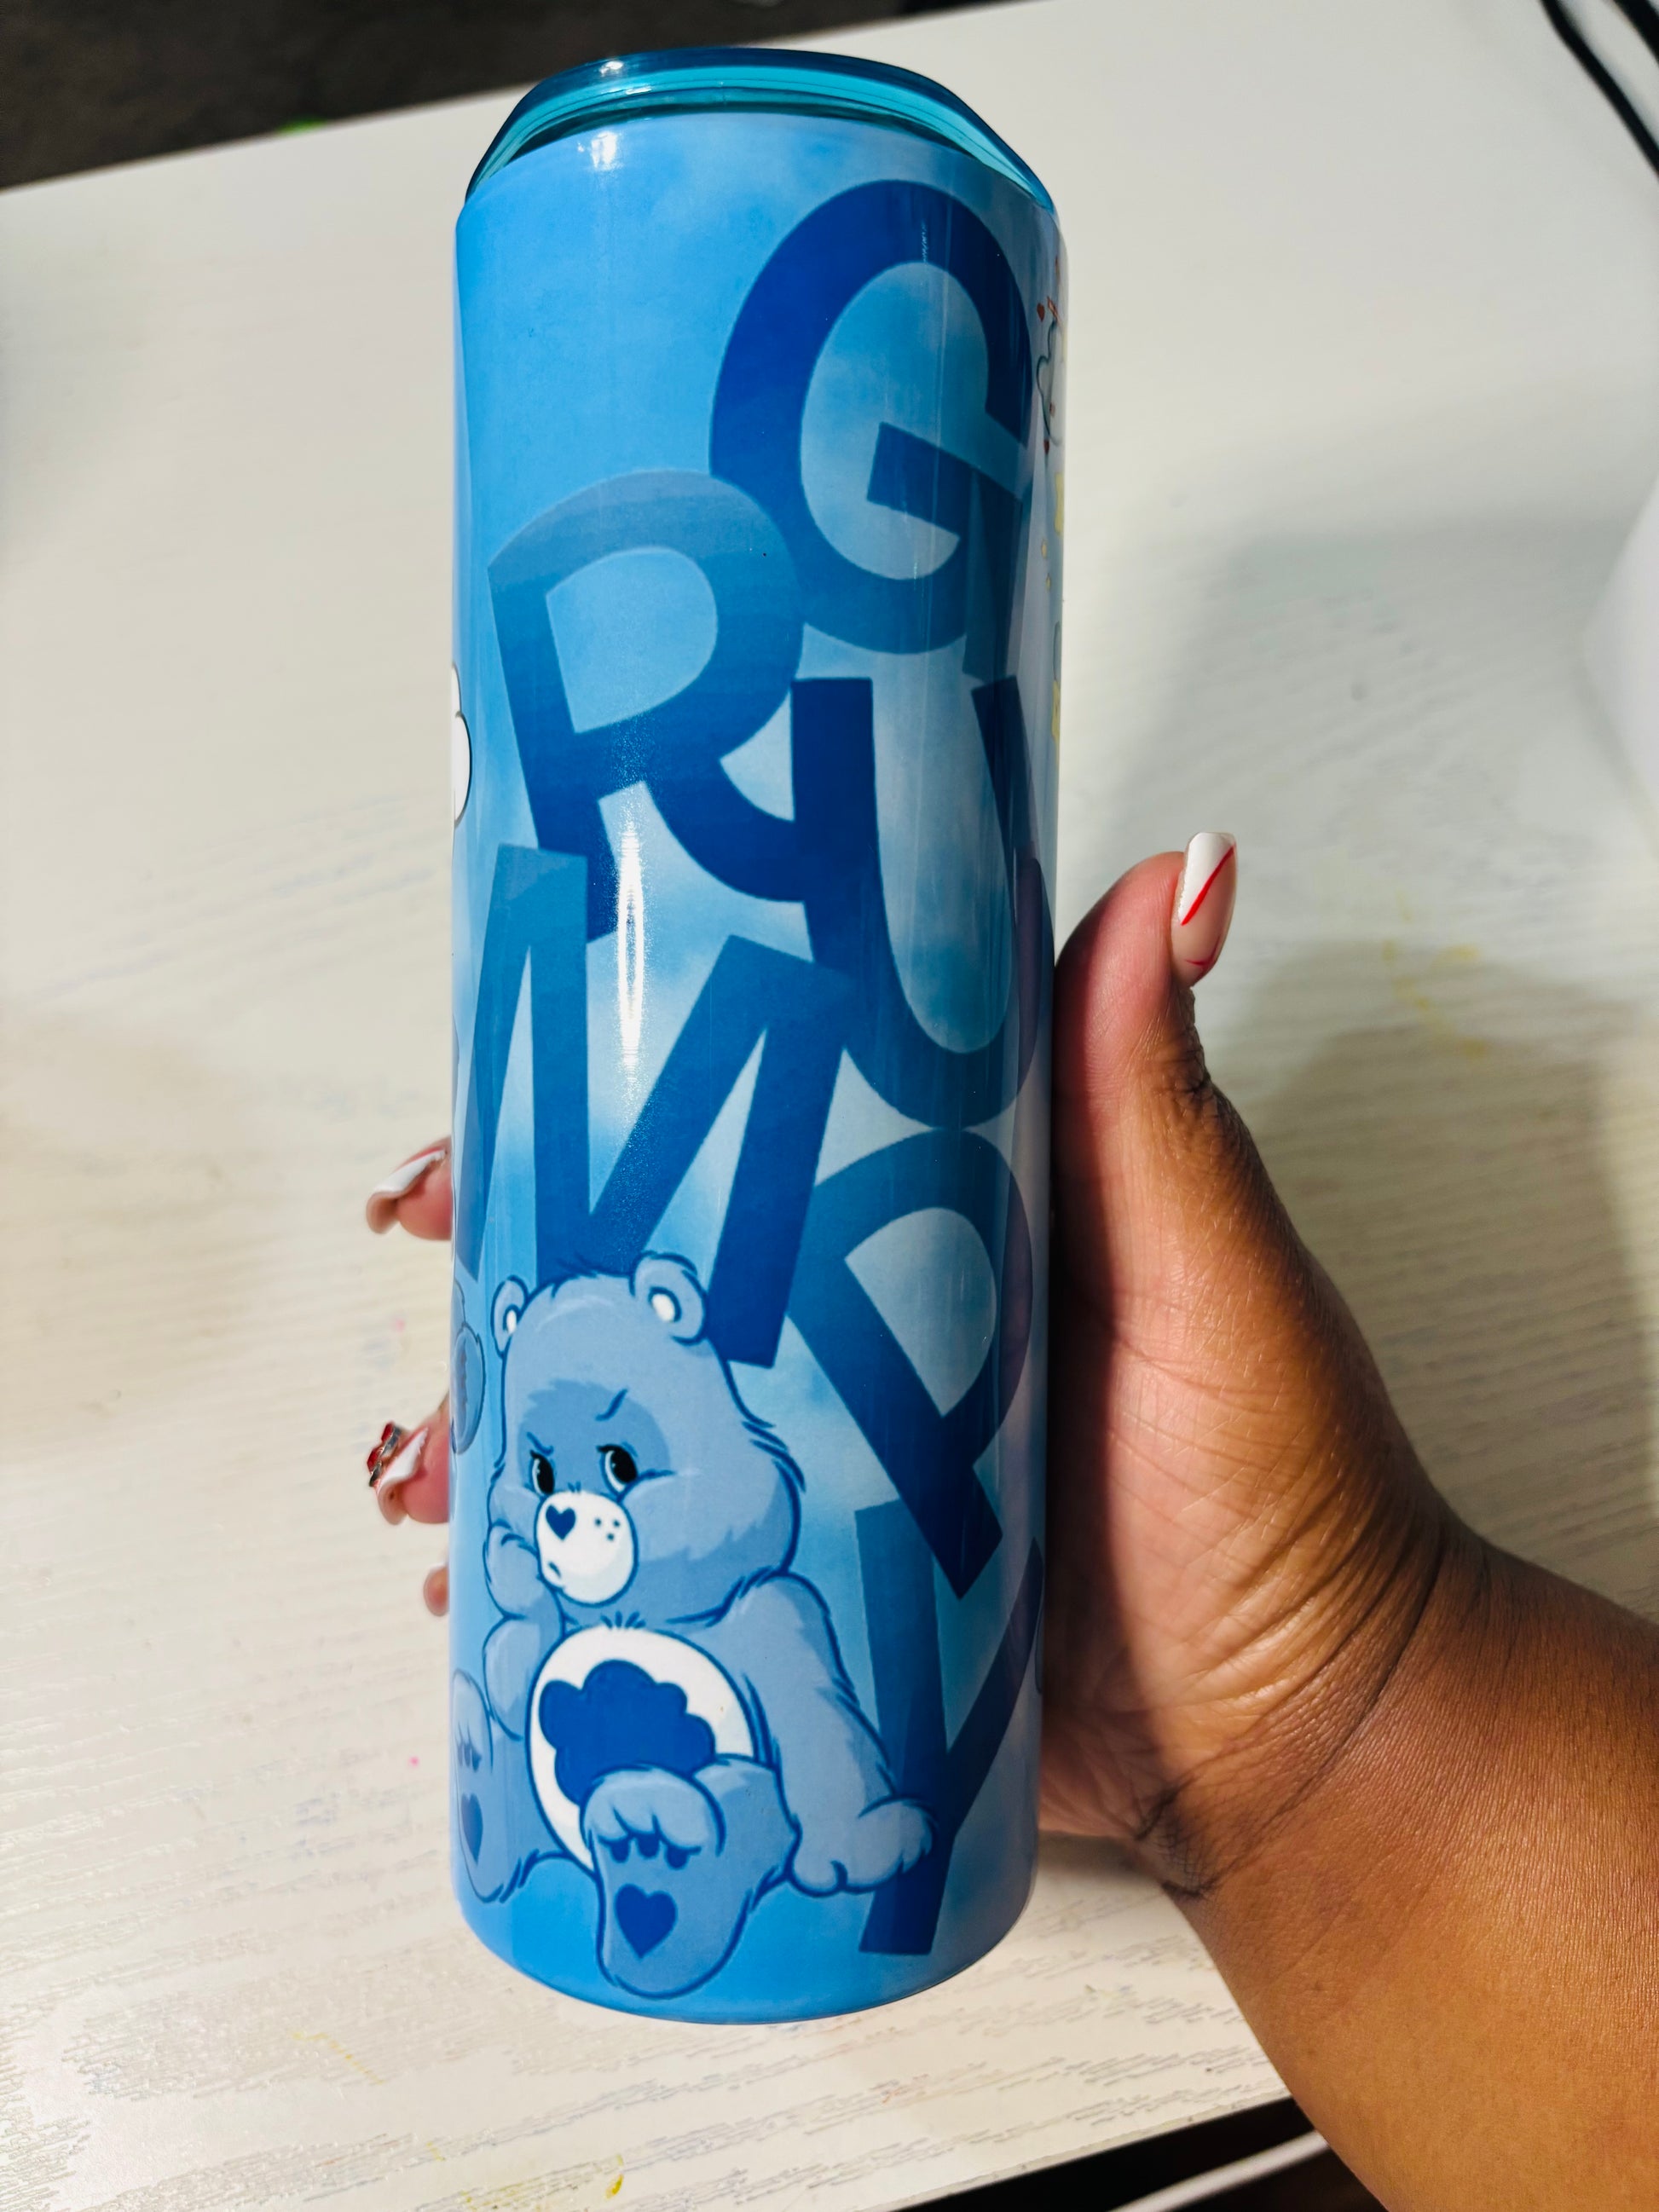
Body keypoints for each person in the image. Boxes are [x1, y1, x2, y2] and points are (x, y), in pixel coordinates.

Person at [363, 840, 1659, 2209]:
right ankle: (554, 1817)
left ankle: (727, 1842)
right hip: (611, 1695)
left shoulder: (744, 1523)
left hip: (772, 1727)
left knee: (780, 1659)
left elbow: (741, 1499)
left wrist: (1321, 1706)